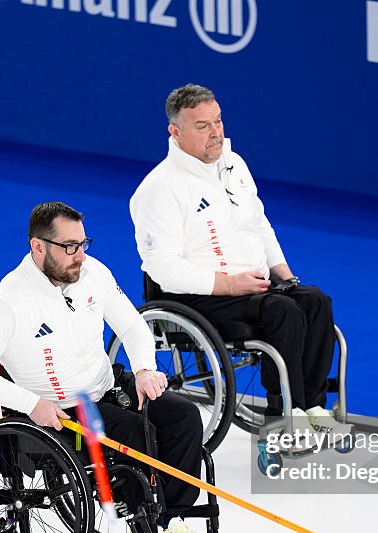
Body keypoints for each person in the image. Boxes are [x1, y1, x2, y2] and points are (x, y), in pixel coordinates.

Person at [0, 201, 220, 533]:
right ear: (38, 247)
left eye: (83, 243)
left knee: (183, 416)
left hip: (109, 390)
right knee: (136, 433)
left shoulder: (93, 273)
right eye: (69, 247)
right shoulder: (8, 302)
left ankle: (173, 523)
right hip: (59, 414)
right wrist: (32, 405)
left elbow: (132, 325)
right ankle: (153, 532)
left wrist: (143, 369)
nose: (80, 255)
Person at [130, 84, 337, 422]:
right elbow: (162, 267)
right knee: (282, 311)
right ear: (175, 132)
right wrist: (228, 284)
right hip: (201, 295)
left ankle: (311, 407)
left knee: (315, 301)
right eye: (202, 126)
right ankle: (283, 415)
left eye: (218, 121)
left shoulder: (234, 165)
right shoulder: (159, 189)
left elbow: (260, 224)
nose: (215, 133)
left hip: (254, 285)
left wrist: (285, 276)